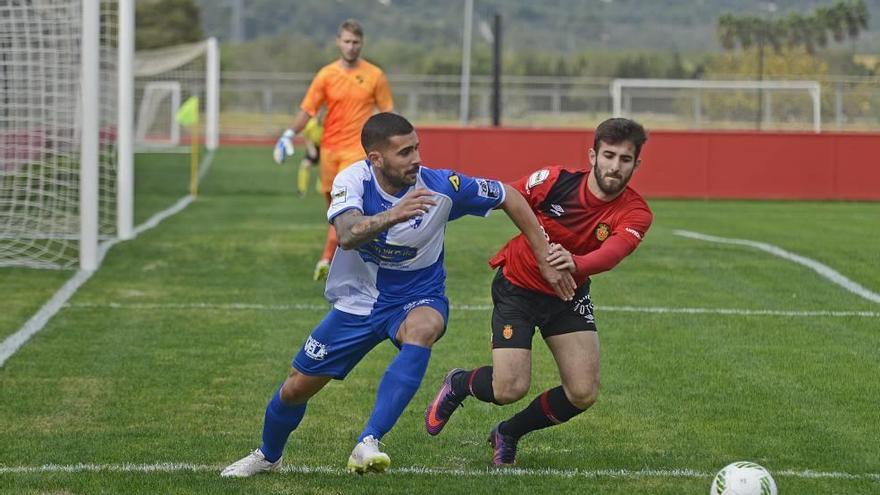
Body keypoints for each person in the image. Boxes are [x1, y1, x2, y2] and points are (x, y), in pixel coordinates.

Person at [221, 112, 576, 478]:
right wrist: (394, 214)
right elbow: (346, 233)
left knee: (424, 328)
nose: (417, 159)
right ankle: (268, 455)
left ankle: (369, 441)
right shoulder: (352, 179)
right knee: (296, 388)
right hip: (359, 301)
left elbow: (509, 196)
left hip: (417, 296)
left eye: (417, 148)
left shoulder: (443, 186)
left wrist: (544, 256)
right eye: (405, 152)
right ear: (376, 159)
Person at [424, 117, 652, 467]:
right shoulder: (555, 181)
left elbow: (613, 253)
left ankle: (508, 432)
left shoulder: (636, 212)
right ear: (592, 155)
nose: (614, 166)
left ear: (636, 163)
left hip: (567, 294)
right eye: (608, 155)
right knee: (508, 388)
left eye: (625, 160)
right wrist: (448, 207)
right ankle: (459, 383)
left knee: (582, 392)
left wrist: (573, 264)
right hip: (518, 286)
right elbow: (508, 197)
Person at [273, 19, 394, 281]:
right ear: (338, 42)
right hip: (330, 152)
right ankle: (345, 258)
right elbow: (308, 109)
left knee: (349, 206)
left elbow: (388, 114)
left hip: (356, 152)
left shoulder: (375, 75)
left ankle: (328, 259)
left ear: (362, 44)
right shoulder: (326, 75)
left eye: (356, 42)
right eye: (347, 41)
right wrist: (288, 135)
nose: (351, 47)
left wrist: (394, 145)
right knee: (334, 210)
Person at [295, 116, 323, 197]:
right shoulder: (311, 124)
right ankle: (302, 190)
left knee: (324, 168)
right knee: (305, 164)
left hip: (326, 147)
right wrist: (311, 148)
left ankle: (321, 189)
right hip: (314, 146)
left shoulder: (328, 123)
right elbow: (306, 137)